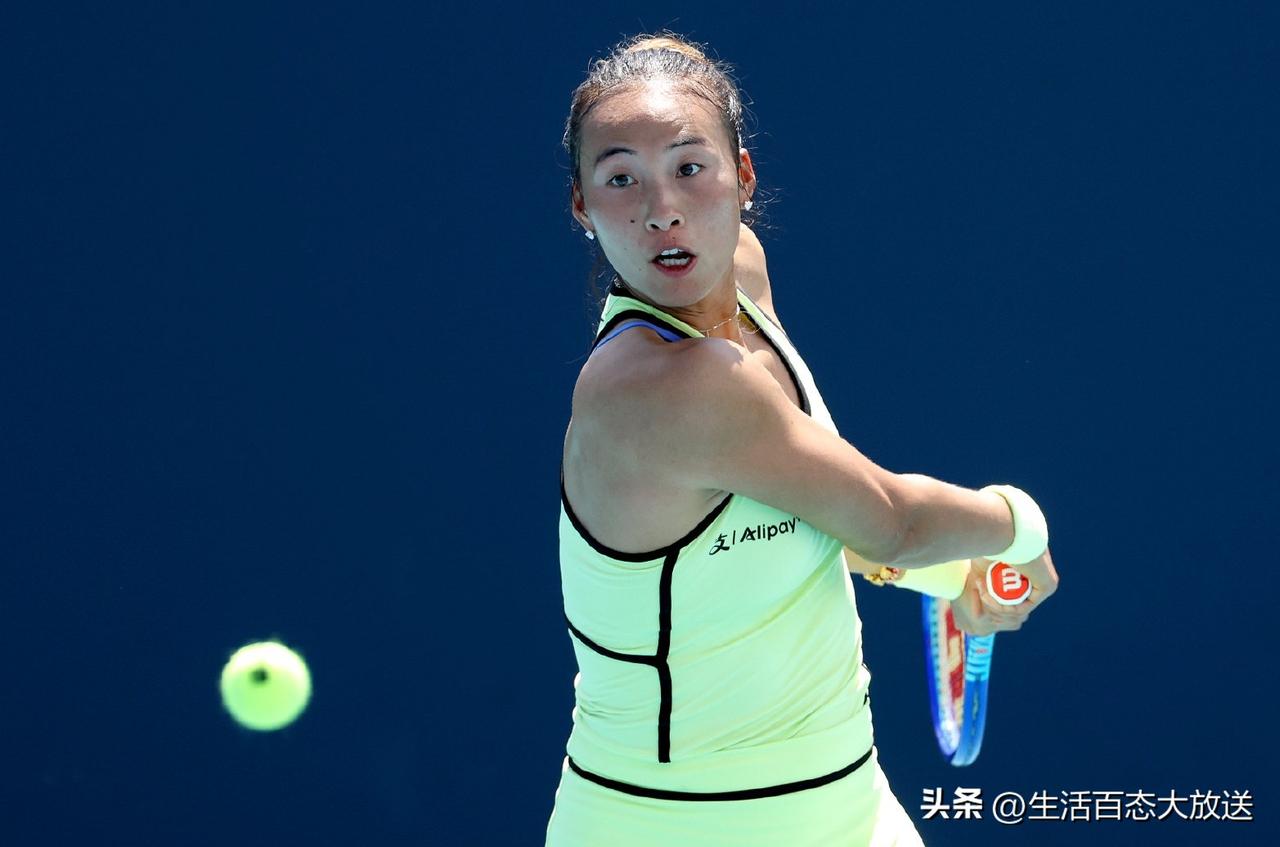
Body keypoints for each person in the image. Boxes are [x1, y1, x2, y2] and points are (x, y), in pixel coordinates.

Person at [546, 33, 1059, 846]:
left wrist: (951, 574)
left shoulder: (742, 277)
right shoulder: (661, 388)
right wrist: (1019, 524)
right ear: (583, 207)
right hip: (671, 827)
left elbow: (808, 511)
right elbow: (892, 520)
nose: (662, 208)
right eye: (620, 179)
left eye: (689, 166)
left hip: (850, 804)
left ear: (743, 176)